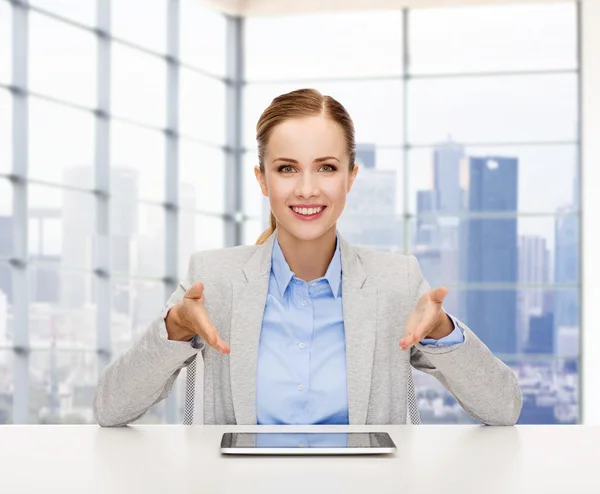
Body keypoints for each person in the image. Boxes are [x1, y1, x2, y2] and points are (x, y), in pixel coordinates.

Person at [93, 88, 522, 427]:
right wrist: (175, 328)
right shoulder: (213, 280)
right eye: (286, 168)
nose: (306, 189)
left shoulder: (396, 282)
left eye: (327, 168)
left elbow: (503, 408)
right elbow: (111, 409)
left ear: (351, 177)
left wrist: (444, 331)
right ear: (262, 179)